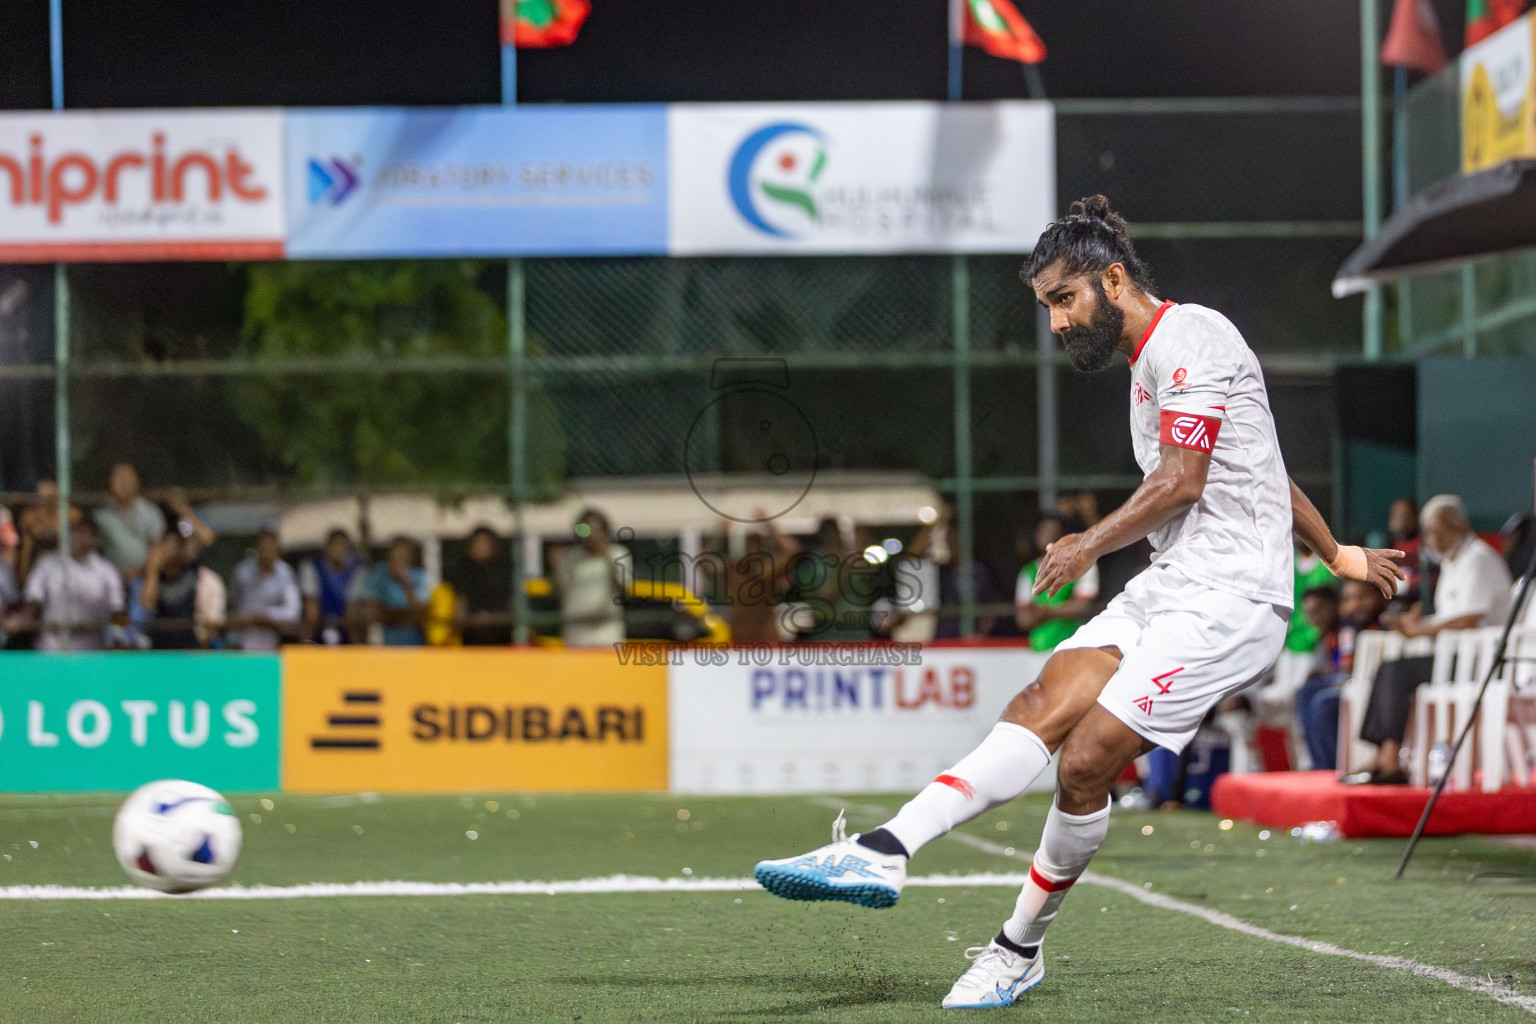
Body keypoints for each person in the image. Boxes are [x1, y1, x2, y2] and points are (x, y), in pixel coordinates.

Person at [752, 195, 1403, 1009]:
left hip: (1232, 601)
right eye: (1048, 307)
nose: (1056, 324)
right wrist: (1338, 551)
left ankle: (1015, 949)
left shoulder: (1192, 336)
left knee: (1089, 756)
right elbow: (1262, 470)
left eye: (1064, 300)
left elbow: (1185, 479)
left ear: (1114, 280)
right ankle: (886, 847)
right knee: (1042, 700)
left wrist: (1089, 542)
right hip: (1172, 585)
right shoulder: (1145, 372)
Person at [1349, 494, 1512, 784]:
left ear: (1459, 525)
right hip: (1454, 657)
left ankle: (1388, 758)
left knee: (1396, 671)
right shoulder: (1453, 564)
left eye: (1437, 531)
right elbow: (1451, 617)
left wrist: (1419, 631)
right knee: (1390, 668)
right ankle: (1382, 756)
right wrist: (1417, 623)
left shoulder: (1478, 559)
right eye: (1428, 532)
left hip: (1481, 661)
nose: (1431, 539)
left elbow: (1468, 619)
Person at [1295, 580, 1388, 771]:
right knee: (1306, 691)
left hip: (1378, 687)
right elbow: (1344, 668)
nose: (1356, 603)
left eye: (1363, 597)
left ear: (1380, 596)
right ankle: (1318, 766)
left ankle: (1330, 768)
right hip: (1350, 682)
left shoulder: (1387, 623)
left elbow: (1351, 669)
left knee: (1322, 702)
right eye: (1349, 599)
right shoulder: (1347, 628)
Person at [22, 518, 125, 651]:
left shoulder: (107, 570)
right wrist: (24, 618)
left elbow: (118, 609)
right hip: (52, 646)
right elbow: (33, 598)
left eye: (82, 533)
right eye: (72, 533)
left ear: (93, 539)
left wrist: (119, 638)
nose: (76, 537)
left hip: (92, 650)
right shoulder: (48, 563)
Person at [1016, 514, 1099, 652]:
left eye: (1054, 532)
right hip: (1039, 648)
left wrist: (1043, 612)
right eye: (1044, 531)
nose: (1049, 537)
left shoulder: (1083, 564)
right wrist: (1063, 609)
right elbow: (1023, 619)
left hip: (1074, 647)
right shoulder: (1028, 572)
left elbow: (1083, 607)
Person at [132, 528, 226, 649]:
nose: (163, 550)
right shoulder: (151, 577)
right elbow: (147, 605)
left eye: (171, 545)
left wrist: (183, 511)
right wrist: (153, 569)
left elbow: (208, 538)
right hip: (158, 648)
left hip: (189, 648)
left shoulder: (196, 575)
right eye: (163, 544)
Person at [553, 509, 627, 648]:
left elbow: (624, 589)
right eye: (584, 529)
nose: (591, 535)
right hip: (576, 630)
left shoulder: (618, 554)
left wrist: (606, 557)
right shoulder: (569, 557)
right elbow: (559, 592)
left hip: (607, 629)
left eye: (595, 529)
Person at [228, 529, 302, 651]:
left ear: (277, 549)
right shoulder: (243, 570)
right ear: (258, 547)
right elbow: (232, 601)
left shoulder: (285, 573)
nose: (267, 551)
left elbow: (293, 612)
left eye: (270, 547)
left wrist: (262, 617)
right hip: (240, 640)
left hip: (270, 641)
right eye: (264, 546)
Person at [93, 463, 167, 582]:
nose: (123, 483)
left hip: (145, 578)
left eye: (127, 478)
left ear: (137, 482)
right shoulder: (101, 516)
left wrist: (146, 576)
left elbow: (157, 547)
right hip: (109, 579)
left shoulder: (150, 512)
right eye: (118, 478)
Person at [355, 536, 431, 646]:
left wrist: (405, 583)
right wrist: (407, 616)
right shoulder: (379, 574)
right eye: (396, 556)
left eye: (404, 556)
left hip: (416, 648)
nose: (400, 560)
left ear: (411, 558)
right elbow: (372, 614)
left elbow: (423, 615)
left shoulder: (419, 577)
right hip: (385, 648)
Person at [447, 526, 512, 646]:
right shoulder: (464, 570)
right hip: (473, 636)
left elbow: (511, 604)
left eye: (485, 542)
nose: (482, 547)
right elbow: (460, 602)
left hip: (501, 636)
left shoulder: (505, 571)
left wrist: (494, 618)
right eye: (478, 543)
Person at [299, 529, 363, 645]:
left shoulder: (356, 570)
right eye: (335, 545)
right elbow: (311, 610)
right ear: (327, 548)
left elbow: (352, 609)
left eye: (343, 547)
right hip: (318, 628)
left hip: (347, 628)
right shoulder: (312, 567)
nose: (339, 550)